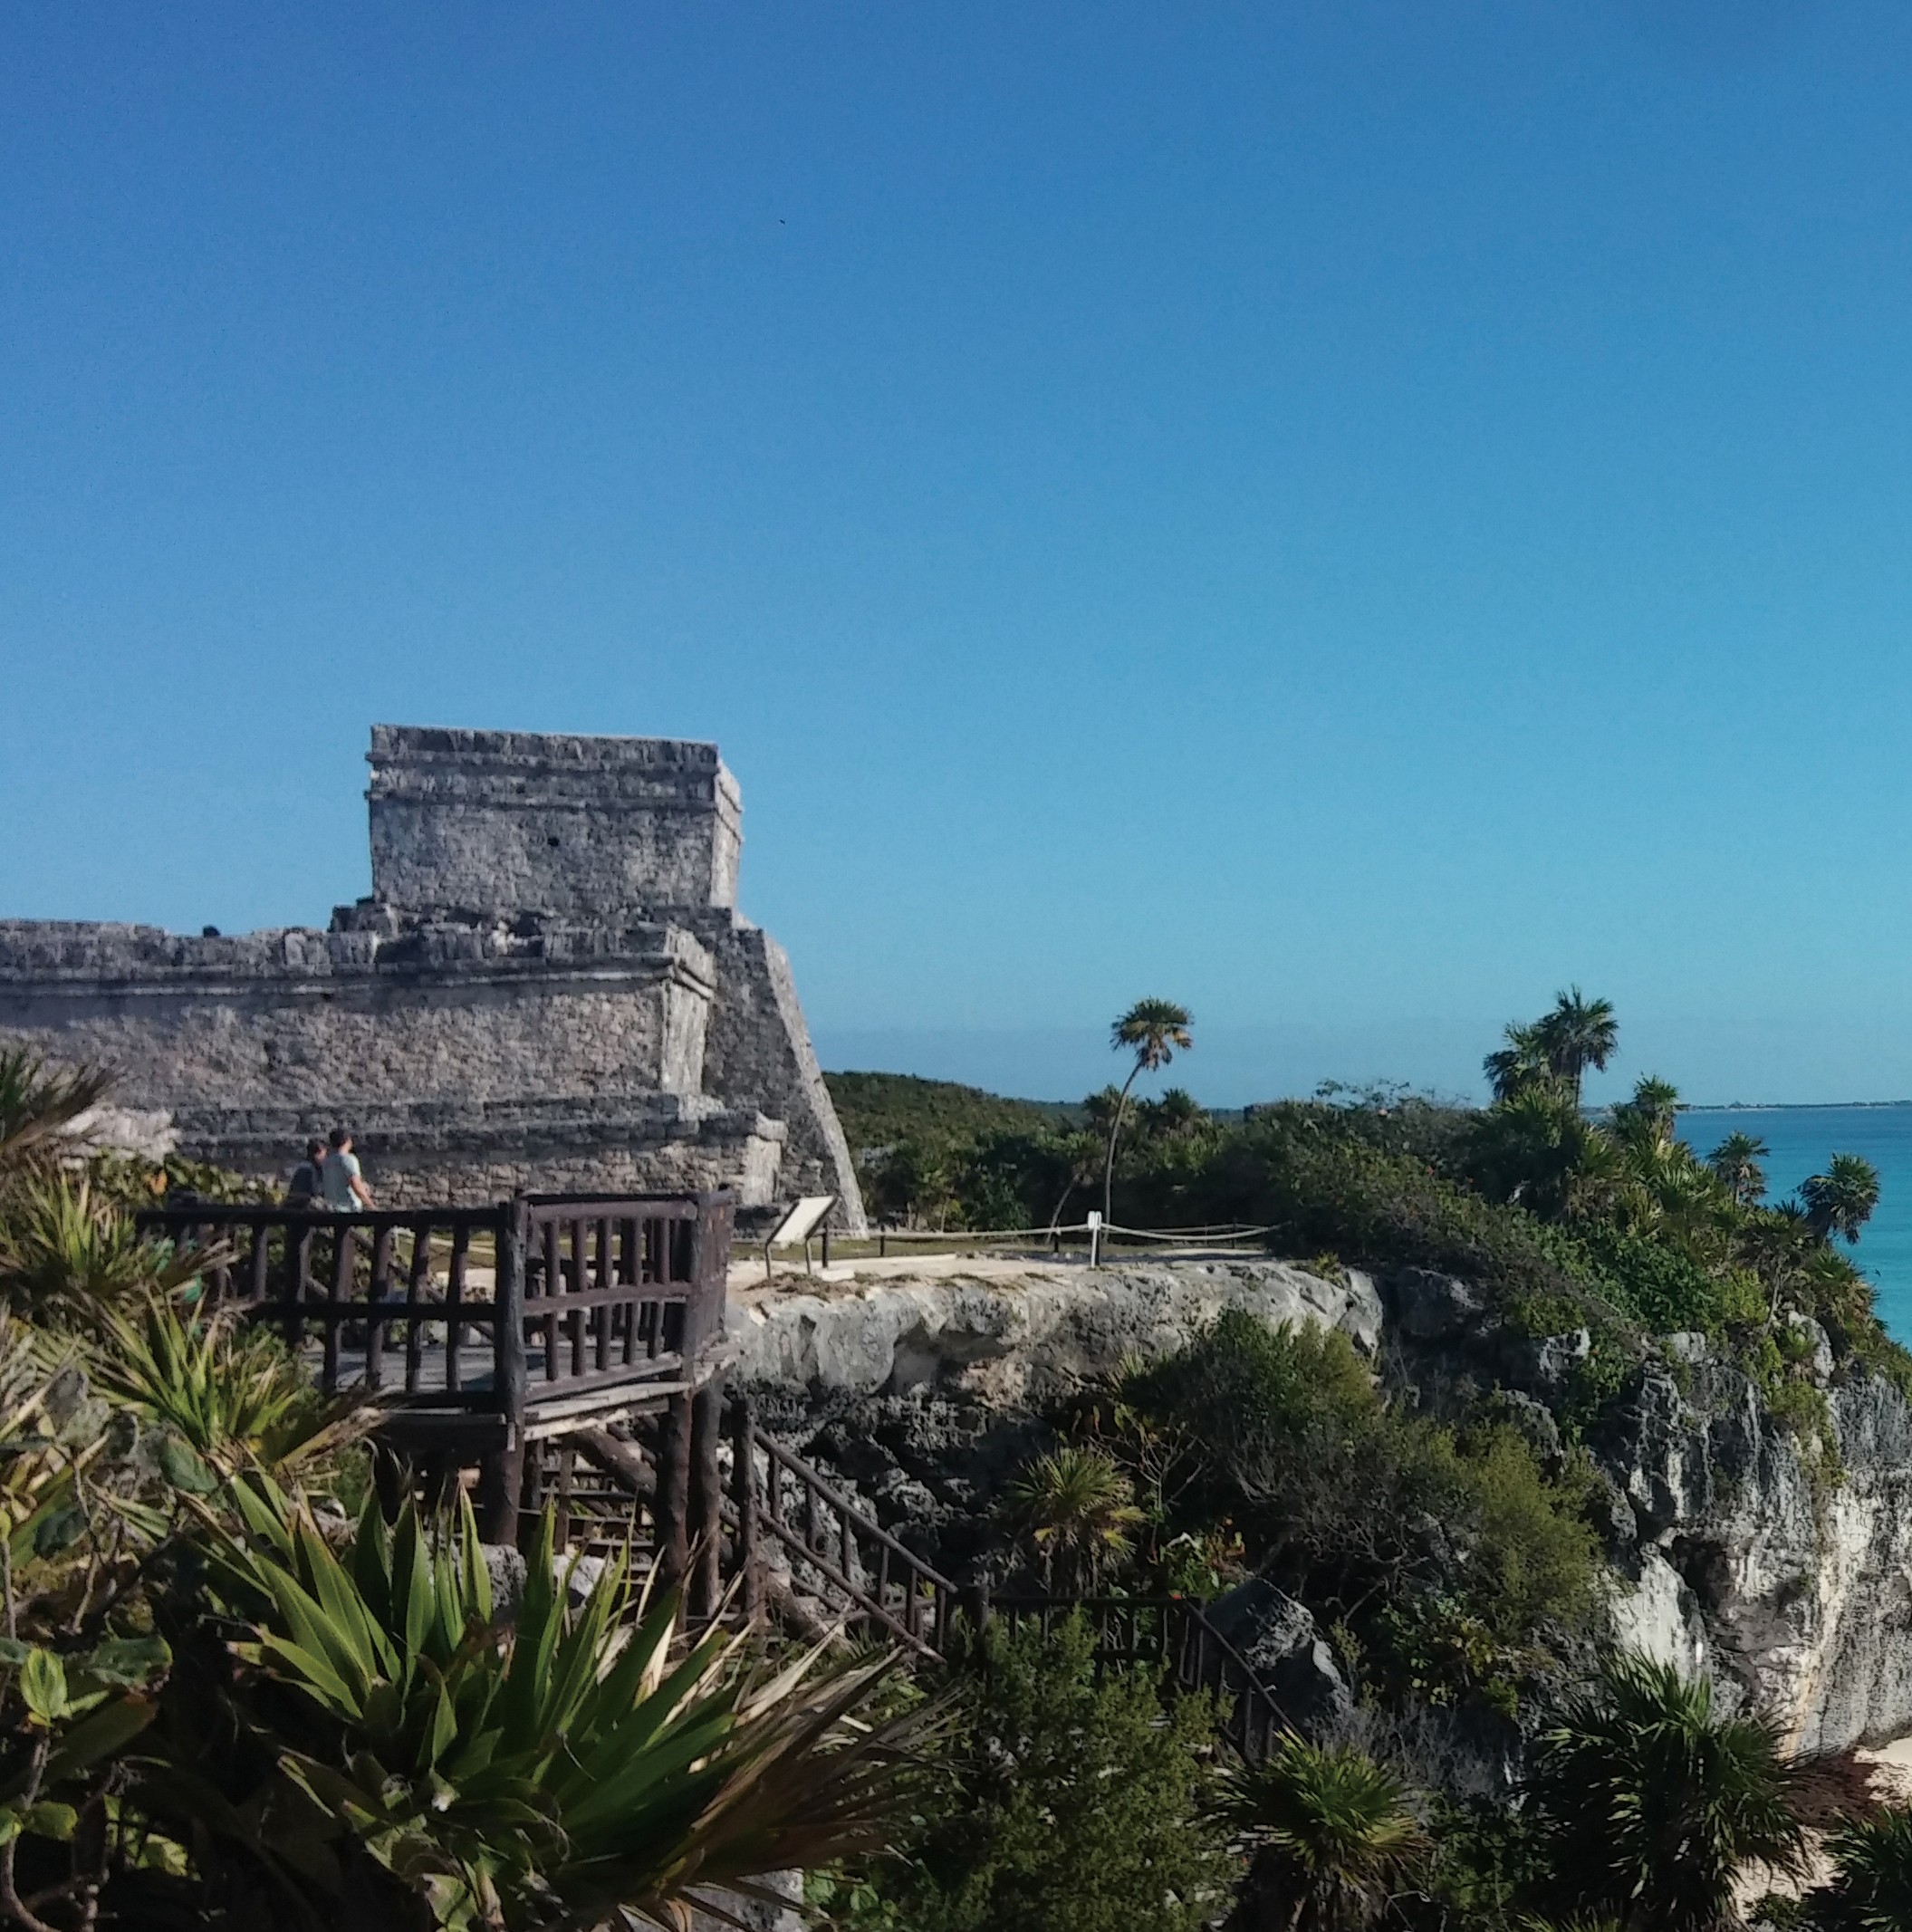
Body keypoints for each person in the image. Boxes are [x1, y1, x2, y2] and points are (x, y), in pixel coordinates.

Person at [322, 1127, 375, 1212]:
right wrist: (370, 1204)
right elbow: (355, 1183)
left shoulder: (326, 1162)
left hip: (332, 1207)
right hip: (350, 1208)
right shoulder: (348, 1159)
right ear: (347, 1141)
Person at [286, 1139, 326, 1207]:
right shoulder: (311, 1170)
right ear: (318, 1153)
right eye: (324, 1154)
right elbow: (315, 1190)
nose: (325, 1157)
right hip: (304, 1205)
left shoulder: (302, 1166)